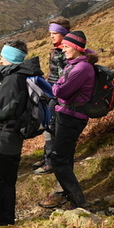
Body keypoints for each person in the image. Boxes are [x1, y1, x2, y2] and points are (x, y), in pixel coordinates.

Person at [0, 40, 44, 228]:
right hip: (13, 139)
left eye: (3, 55)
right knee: (7, 182)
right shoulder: (23, 76)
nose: (0, 59)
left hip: (1, 139)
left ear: (10, 57)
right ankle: (6, 220)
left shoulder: (12, 79)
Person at [38, 31, 96, 209]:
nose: (63, 50)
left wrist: (54, 88)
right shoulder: (74, 64)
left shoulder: (81, 68)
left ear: (77, 48)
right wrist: (57, 87)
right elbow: (60, 87)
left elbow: (61, 91)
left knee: (58, 159)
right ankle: (68, 196)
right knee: (65, 156)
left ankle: (78, 201)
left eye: (66, 47)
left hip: (72, 118)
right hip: (65, 114)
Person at [33, 17, 71, 174]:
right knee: (49, 124)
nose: (51, 36)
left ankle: (50, 162)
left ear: (63, 33)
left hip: (57, 94)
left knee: (50, 126)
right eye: (50, 33)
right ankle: (47, 156)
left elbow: (65, 75)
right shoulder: (57, 48)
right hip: (52, 92)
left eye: (54, 33)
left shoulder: (64, 51)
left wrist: (54, 90)